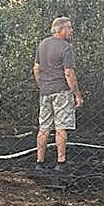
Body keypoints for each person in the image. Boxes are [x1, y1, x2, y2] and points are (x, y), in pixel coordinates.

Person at [32, 16, 83, 172]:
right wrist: (77, 94)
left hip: (45, 92)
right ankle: (61, 163)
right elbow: (69, 73)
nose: (71, 30)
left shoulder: (42, 44)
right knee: (61, 127)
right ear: (61, 29)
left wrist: (42, 85)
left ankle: (39, 162)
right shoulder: (66, 47)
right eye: (69, 27)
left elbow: (36, 69)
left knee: (44, 127)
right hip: (61, 91)